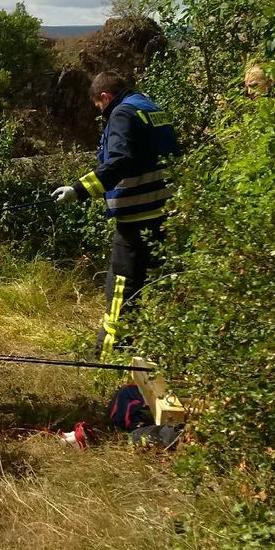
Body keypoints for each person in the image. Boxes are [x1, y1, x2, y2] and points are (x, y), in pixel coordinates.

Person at [52, 72, 180, 360]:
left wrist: (79, 189)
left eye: (99, 107)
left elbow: (120, 160)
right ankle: (151, 348)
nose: (101, 113)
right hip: (164, 212)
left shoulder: (122, 113)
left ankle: (111, 355)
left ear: (105, 97)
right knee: (153, 284)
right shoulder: (151, 108)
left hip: (135, 218)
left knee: (121, 285)